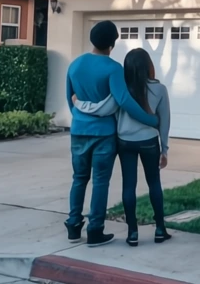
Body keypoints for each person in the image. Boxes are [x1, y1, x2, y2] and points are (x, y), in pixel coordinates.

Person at [65, 22, 158, 247]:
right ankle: (95, 230)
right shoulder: (113, 68)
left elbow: (71, 99)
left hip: (79, 131)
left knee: (78, 179)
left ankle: (73, 225)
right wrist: (151, 120)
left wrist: (81, 120)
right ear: (112, 43)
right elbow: (124, 100)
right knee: (100, 182)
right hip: (104, 134)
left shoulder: (75, 65)